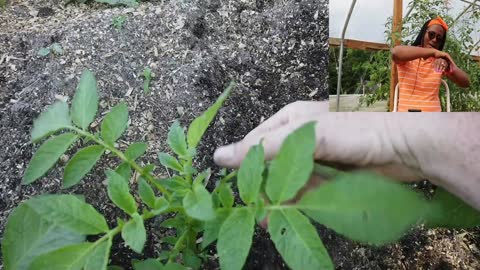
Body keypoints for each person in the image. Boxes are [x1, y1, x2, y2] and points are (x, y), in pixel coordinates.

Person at [213, 101, 480, 211]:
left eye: (440, 37)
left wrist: (399, 138)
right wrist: (397, 136)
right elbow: (398, 52)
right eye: (431, 34)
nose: (436, 40)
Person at [391, 16, 470, 112]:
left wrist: (449, 66)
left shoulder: (439, 63)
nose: (434, 40)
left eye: (439, 38)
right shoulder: (408, 56)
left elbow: (465, 83)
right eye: (431, 34)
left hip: (434, 119)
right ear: (424, 33)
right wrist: (433, 52)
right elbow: (395, 52)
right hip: (406, 118)